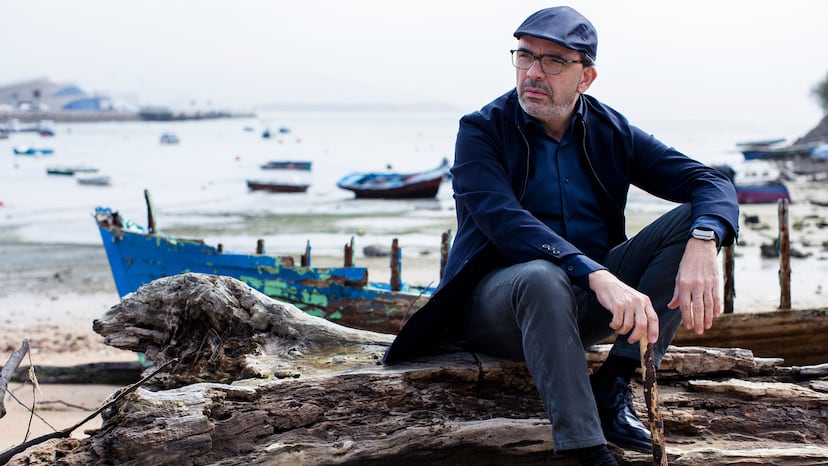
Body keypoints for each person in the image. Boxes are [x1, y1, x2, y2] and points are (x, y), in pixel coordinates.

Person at [383, 5, 739, 466]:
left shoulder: (612, 130)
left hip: (587, 305)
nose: (533, 72)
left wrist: (705, 240)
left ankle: (613, 384)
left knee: (692, 218)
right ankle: (586, 450)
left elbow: (710, 182)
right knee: (541, 275)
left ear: (585, 77)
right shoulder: (481, 131)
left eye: (553, 61)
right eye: (525, 56)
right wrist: (594, 273)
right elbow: (504, 220)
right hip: (496, 310)